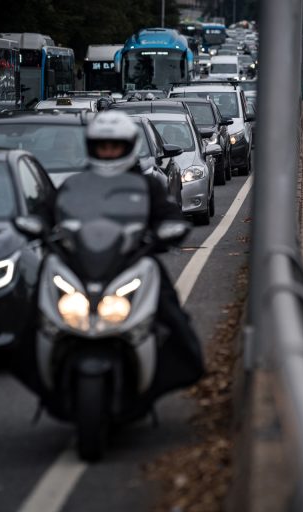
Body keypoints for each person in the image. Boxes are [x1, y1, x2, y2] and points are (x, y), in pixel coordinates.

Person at [60, 111, 204, 400]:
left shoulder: (147, 185)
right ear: (92, 147)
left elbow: (168, 213)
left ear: (128, 147)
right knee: (39, 305)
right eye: (103, 146)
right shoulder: (76, 183)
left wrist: (168, 230)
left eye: (115, 146)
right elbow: (53, 210)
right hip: (83, 265)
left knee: (168, 307)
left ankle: (187, 365)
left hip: (131, 262)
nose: (109, 152)